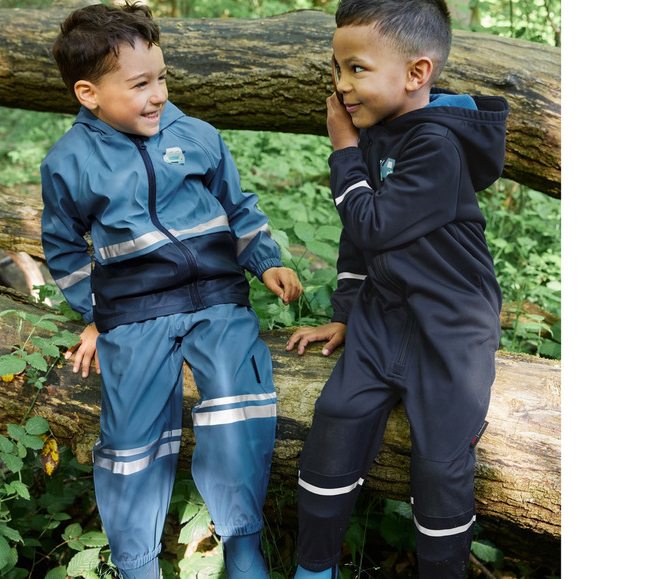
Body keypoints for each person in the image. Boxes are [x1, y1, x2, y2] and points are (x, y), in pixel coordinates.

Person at [39, 3, 303, 578]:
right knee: (131, 439)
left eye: (161, 77)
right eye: (140, 84)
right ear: (89, 93)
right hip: (133, 312)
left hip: (216, 299)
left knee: (240, 405)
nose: (158, 94)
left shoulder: (197, 136)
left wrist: (264, 263)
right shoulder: (70, 162)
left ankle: (242, 544)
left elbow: (238, 208)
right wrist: (94, 312)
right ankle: (137, 564)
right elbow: (62, 247)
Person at [285, 1, 509, 577]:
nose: (341, 86)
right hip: (383, 317)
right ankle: (314, 566)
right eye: (337, 70)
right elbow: (360, 244)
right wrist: (344, 314)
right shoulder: (379, 133)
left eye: (356, 69)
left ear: (417, 74)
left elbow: (373, 223)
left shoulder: (436, 145)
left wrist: (343, 153)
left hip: (451, 328)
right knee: (336, 416)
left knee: (439, 462)